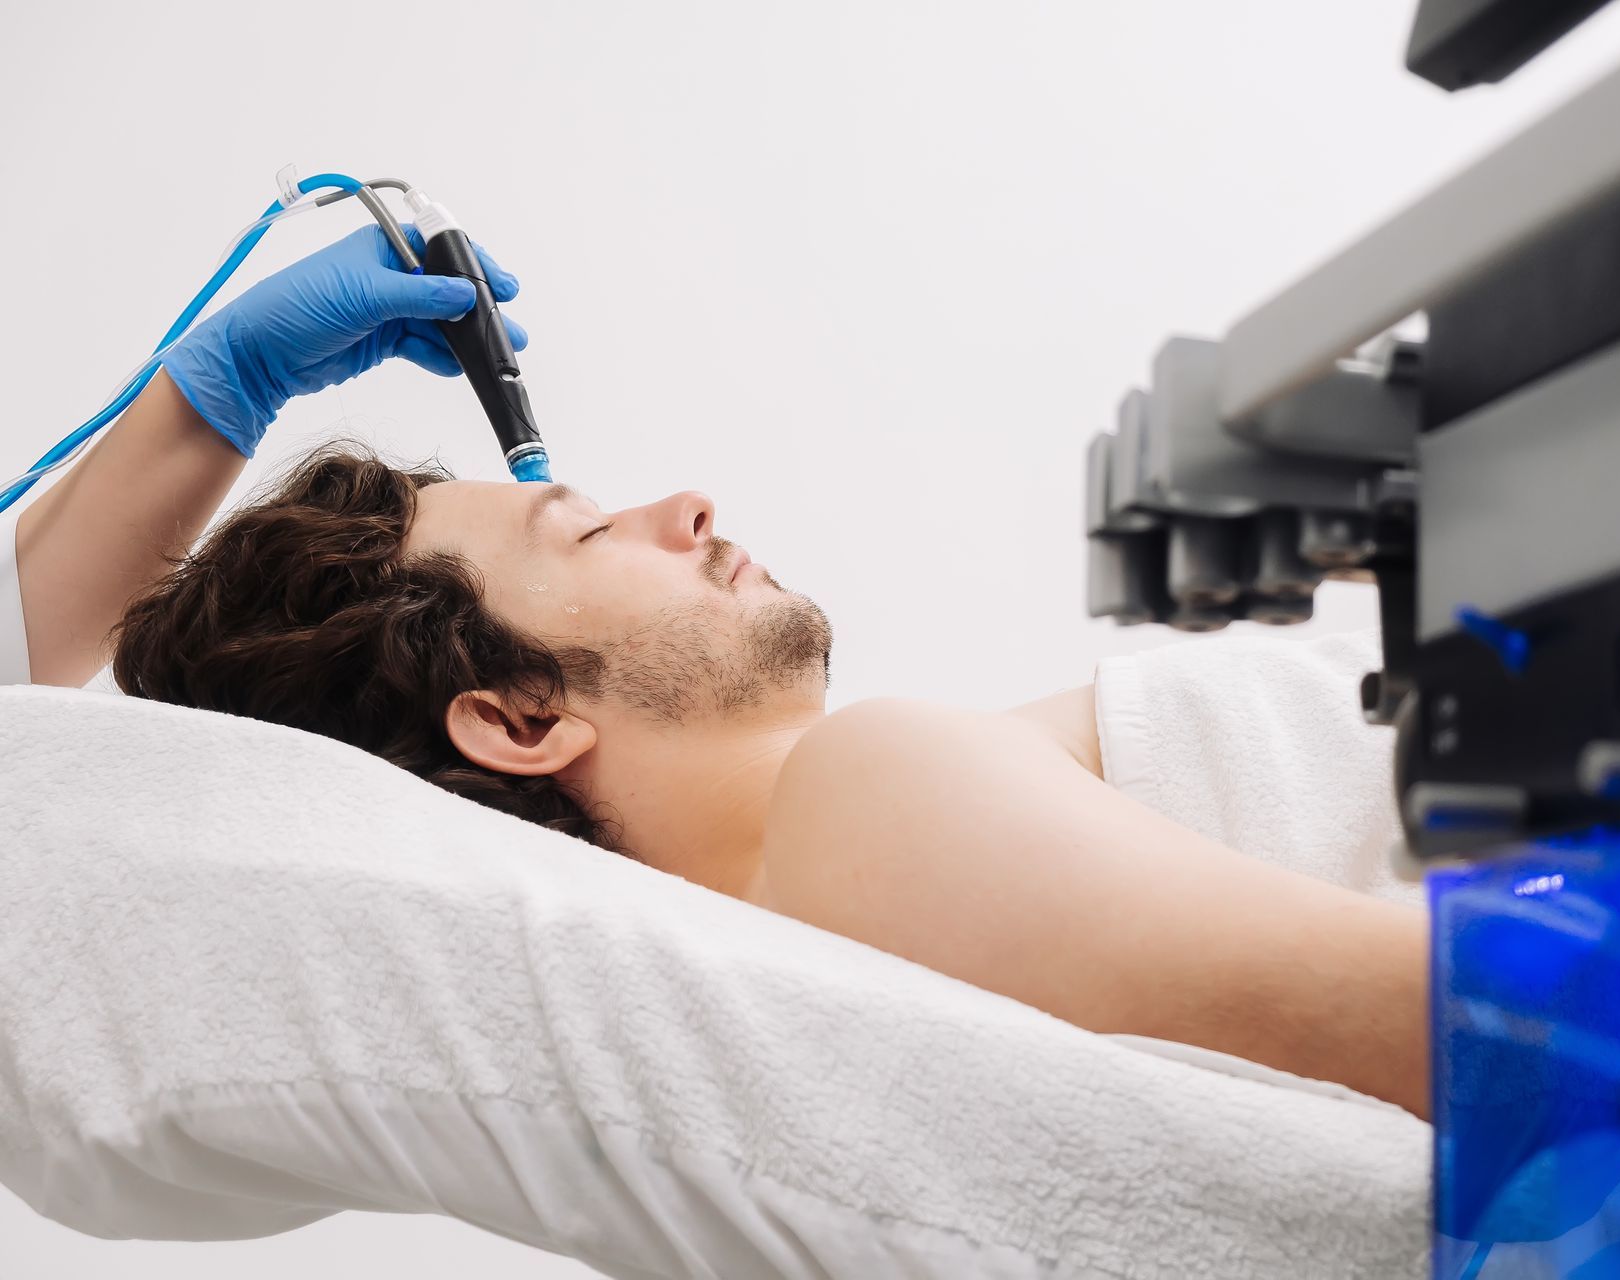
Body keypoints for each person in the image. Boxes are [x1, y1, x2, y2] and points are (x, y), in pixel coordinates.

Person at [1, 231, 1431, 1119]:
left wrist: (209, 398)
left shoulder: (867, 845)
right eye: (585, 527)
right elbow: (1519, 1020)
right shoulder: (874, 795)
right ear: (514, 718)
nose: (684, 506)